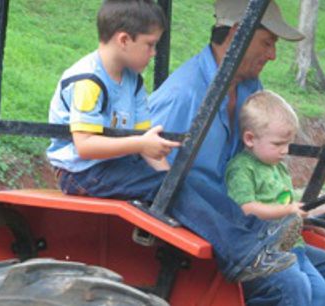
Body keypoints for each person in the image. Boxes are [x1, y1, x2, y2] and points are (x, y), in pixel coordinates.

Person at [46, 0, 300, 284]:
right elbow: (85, 147)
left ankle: (256, 235)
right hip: (82, 173)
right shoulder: (89, 81)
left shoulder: (133, 81)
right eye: (150, 44)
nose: (154, 53)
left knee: (185, 182)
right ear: (124, 40)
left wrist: (170, 175)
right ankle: (241, 256)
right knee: (171, 185)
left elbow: (145, 137)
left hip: (113, 164)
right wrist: (142, 148)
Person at [150, 0, 325, 305]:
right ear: (238, 34)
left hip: (247, 223)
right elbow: (153, 183)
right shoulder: (182, 96)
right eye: (267, 42)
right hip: (207, 227)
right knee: (289, 286)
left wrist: (289, 210)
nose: (273, 55)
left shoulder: (251, 89)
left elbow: (255, 171)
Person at [226, 90, 325, 306]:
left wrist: (313, 219)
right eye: (277, 144)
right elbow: (245, 208)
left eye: (288, 144)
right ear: (250, 139)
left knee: (322, 293)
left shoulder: (278, 169)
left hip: (294, 245)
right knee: (296, 288)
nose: (285, 151)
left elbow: (288, 206)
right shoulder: (242, 169)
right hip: (265, 249)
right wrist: (288, 211)